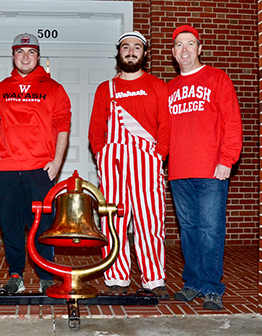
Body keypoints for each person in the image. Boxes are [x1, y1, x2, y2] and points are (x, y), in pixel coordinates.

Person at [88, 31, 170, 299]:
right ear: (119, 52)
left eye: (137, 47)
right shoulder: (105, 88)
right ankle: (116, 277)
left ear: (145, 54)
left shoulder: (158, 86)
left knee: (151, 223)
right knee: (113, 222)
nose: (131, 51)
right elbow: (96, 130)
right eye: (126, 46)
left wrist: (158, 156)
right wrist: (102, 157)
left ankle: (154, 279)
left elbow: (166, 128)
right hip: (113, 164)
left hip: (147, 161)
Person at [168, 25, 243, 310]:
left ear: (199, 49)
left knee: (211, 229)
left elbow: (232, 122)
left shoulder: (217, 78)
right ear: (173, 53)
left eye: (189, 44)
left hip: (212, 170)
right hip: (179, 171)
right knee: (188, 229)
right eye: (178, 45)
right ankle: (193, 282)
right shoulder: (169, 88)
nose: (184, 49)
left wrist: (227, 159)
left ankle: (212, 287)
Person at [0, 33, 71, 294]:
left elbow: (63, 125)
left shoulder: (54, 88)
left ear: (38, 56)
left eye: (31, 52)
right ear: (13, 55)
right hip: (6, 168)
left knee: (43, 227)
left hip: (39, 169)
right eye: (20, 51)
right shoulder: (1, 88)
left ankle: (46, 275)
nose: (25, 57)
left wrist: (57, 160)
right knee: (11, 226)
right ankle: (16, 275)